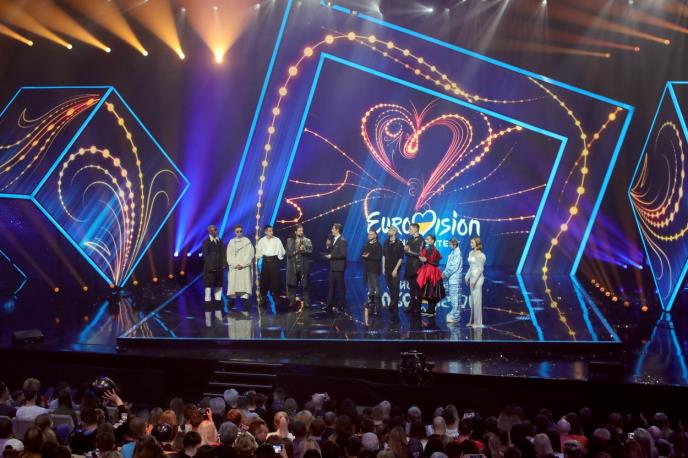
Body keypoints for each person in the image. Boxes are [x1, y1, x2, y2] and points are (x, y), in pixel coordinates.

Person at [256, 225, 286, 310]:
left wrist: (278, 257)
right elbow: (258, 252)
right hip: (265, 261)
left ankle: (277, 298)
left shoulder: (277, 240)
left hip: (274, 261)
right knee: (264, 280)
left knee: (275, 280)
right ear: (265, 232)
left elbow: (282, 251)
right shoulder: (261, 240)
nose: (271, 232)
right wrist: (259, 258)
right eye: (269, 231)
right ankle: (263, 298)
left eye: (272, 231)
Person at [416, 234, 445, 317]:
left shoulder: (436, 251)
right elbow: (421, 257)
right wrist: (422, 259)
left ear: (433, 240)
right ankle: (430, 310)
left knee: (432, 292)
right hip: (425, 271)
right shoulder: (426, 249)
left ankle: (432, 311)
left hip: (433, 273)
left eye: (428, 239)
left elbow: (436, 264)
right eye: (426, 239)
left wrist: (427, 260)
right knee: (427, 292)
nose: (427, 240)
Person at [202, 224, 225, 327]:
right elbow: (206, 256)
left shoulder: (220, 241)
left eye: (215, 230)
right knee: (208, 287)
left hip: (219, 268)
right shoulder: (206, 242)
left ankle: (218, 304)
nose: (214, 231)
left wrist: (223, 264)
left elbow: (223, 253)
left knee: (218, 286)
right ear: (209, 231)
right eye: (212, 230)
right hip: (210, 269)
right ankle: (207, 307)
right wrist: (211, 267)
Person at [286, 224, 313, 311]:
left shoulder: (307, 241)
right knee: (292, 285)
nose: (301, 232)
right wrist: (296, 251)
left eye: (302, 230)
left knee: (305, 285)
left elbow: (310, 252)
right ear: (295, 232)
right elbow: (288, 253)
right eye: (299, 230)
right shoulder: (289, 241)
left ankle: (306, 301)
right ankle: (292, 301)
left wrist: (303, 249)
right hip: (293, 266)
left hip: (303, 266)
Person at [226, 224, 255, 305]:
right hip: (234, 267)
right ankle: (232, 299)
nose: (239, 233)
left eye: (240, 231)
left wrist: (242, 264)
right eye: (237, 231)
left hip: (244, 267)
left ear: (242, 231)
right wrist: (235, 264)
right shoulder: (231, 242)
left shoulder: (247, 241)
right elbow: (229, 255)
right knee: (233, 283)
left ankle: (245, 300)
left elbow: (250, 254)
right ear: (235, 232)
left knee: (245, 283)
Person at [382, 226, 404, 320]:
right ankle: (392, 301)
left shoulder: (399, 243)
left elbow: (401, 258)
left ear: (395, 232)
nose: (389, 231)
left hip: (395, 268)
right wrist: (383, 267)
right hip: (387, 268)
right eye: (389, 230)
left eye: (390, 230)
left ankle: (395, 304)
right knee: (390, 286)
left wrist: (395, 269)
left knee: (395, 287)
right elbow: (383, 255)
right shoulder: (385, 242)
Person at [325, 223, 347, 313]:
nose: (331, 230)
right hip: (332, 267)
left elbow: (343, 254)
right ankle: (329, 305)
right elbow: (331, 251)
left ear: (337, 230)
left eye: (333, 229)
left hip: (339, 267)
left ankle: (341, 306)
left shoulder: (342, 240)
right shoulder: (333, 239)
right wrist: (327, 246)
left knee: (340, 287)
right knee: (331, 286)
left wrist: (332, 256)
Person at [465, 237, 486, 328]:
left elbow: (481, 269)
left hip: (478, 279)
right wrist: (467, 276)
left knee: (477, 300)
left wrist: (475, 280)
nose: (470, 244)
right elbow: (471, 267)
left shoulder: (481, 255)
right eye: (470, 242)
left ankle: (477, 323)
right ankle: (472, 321)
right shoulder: (471, 253)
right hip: (472, 278)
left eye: (472, 242)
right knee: (472, 301)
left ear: (477, 244)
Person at [361, 230, 382, 315]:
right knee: (370, 287)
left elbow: (378, 256)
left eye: (371, 234)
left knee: (376, 287)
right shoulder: (367, 243)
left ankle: (378, 305)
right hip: (368, 268)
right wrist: (364, 255)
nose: (369, 235)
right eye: (369, 234)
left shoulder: (378, 245)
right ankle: (371, 302)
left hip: (375, 268)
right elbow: (363, 253)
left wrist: (368, 256)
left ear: (375, 236)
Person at [404, 223, 424, 316]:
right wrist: (406, 250)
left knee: (417, 288)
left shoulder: (421, 240)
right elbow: (406, 252)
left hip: (417, 267)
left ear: (416, 229)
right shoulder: (410, 239)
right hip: (409, 266)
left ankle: (418, 307)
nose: (409, 230)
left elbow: (420, 253)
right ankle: (412, 305)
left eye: (411, 229)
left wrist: (409, 251)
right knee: (411, 288)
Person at [443, 238, 463, 323]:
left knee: (456, 298)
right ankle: (454, 313)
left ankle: (456, 316)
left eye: (450, 244)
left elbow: (454, 266)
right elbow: (449, 265)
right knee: (452, 297)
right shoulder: (453, 252)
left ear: (454, 244)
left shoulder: (458, 253)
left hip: (455, 279)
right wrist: (445, 272)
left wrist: (445, 273)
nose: (449, 246)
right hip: (451, 279)